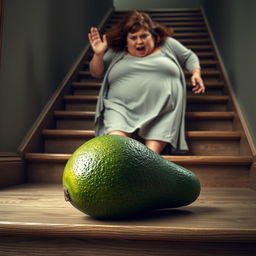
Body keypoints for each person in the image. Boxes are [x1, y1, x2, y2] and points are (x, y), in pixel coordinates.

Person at [88, 11, 205, 154]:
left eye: (144, 36)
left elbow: (189, 57)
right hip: (120, 107)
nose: (139, 42)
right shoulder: (117, 51)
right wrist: (98, 54)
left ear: (154, 36)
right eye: (133, 37)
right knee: (117, 151)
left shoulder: (167, 44)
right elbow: (96, 72)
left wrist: (196, 73)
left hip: (163, 108)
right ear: (126, 40)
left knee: (150, 158)